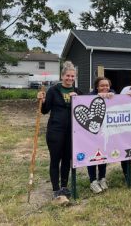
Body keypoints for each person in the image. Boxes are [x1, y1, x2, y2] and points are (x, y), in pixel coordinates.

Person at [37, 61, 82, 203]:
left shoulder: (78, 91)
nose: (70, 78)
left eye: (72, 76)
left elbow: (87, 105)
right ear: (62, 76)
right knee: (55, 159)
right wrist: (42, 100)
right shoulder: (53, 90)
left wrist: (79, 99)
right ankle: (56, 189)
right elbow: (44, 110)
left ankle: (64, 186)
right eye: (67, 76)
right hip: (55, 131)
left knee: (67, 160)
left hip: (72, 133)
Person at [87, 77, 115, 194]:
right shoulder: (89, 96)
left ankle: (102, 178)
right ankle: (93, 181)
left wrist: (112, 93)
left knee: (103, 155)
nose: (105, 88)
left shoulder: (111, 94)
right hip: (92, 132)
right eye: (102, 85)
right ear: (97, 87)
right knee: (92, 156)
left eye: (107, 85)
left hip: (105, 132)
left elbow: (116, 95)